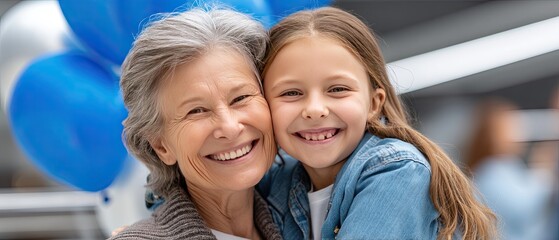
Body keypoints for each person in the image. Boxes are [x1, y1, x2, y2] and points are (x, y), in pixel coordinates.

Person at [257, 7, 497, 240]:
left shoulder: (396, 171)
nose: (315, 110)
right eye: (291, 93)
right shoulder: (280, 179)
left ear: (374, 103)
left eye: (338, 89)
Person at [109, 7, 281, 240]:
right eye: (196, 111)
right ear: (161, 146)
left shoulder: (309, 217)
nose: (230, 128)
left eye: (240, 98)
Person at [464, 98, 555, 240]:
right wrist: (544, 172)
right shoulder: (492, 169)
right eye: (510, 127)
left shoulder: (507, 166)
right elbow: (524, 207)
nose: (519, 132)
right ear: (492, 135)